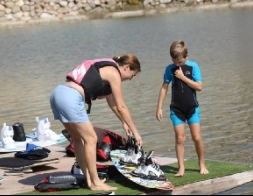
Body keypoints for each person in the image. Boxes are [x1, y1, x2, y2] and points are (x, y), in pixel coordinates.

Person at [50, 54, 143, 191]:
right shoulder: (114, 73)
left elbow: (114, 105)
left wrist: (125, 123)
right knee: (91, 139)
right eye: (132, 75)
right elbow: (122, 106)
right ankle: (95, 182)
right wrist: (136, 133)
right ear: (127, 67)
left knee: (78, 139)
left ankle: (89, 179)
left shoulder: (107, 70)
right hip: (71, 97)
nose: (130, 79)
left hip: (58, 93)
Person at [156, 40, 209, 177]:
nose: (178, 65)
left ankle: (202, 164)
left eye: (180, 62)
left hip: (192, 108)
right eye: (175, 62)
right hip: (176, 109)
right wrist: (159, 107)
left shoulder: (193, 67)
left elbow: (199, 87)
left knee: (196, 137)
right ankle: (181, 168)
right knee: (180, 138)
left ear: (186, 57)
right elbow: (164, 88)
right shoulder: (169, 69)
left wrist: (182, 77)